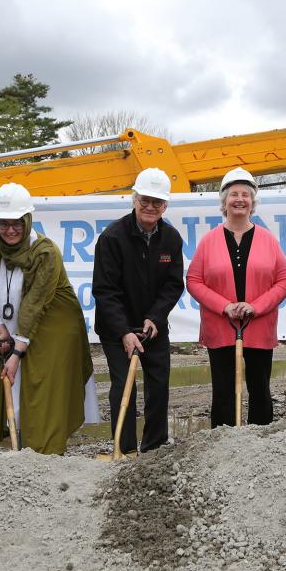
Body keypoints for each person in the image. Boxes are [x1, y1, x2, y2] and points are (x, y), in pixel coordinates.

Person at [0, 182, 96, 454]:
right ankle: (20, 450)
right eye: (4, 223)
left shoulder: (45, 252)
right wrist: (2, 331)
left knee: (42, 395)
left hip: (54, 327)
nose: (10, 230)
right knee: (16, 393)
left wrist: (17, 354)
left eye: (17, 223)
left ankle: (46, 455)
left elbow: (34, 306)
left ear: (28, 221)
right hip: (19, 328)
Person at [186, 167, 286, 427]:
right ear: (224, 202)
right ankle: (222, 444)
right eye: (234, 194)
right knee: (222, 392)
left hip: (258, 327)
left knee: (260, 390)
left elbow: (284, 280)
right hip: (220, 328)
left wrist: (256, 307)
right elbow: (194, 281)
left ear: (252, 203)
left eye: (246, 194)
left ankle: (260, 443)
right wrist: (225, 306)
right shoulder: (209, 241)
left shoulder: (268, 240)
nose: (240, 199)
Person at [92, 168, 184, 454]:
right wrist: (123, 331)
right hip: (116, 328)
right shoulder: (112, 237)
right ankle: (125, 448)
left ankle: (154, 446)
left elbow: (172, 284)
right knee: (124, 388)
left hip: (152, 328)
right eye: (145, 199)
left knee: (159, 385)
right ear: (135, 199)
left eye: (157, 202)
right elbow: (105, 291)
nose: (150, 207)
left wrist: (155, 318)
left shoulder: (170, 238)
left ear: (165, 205)